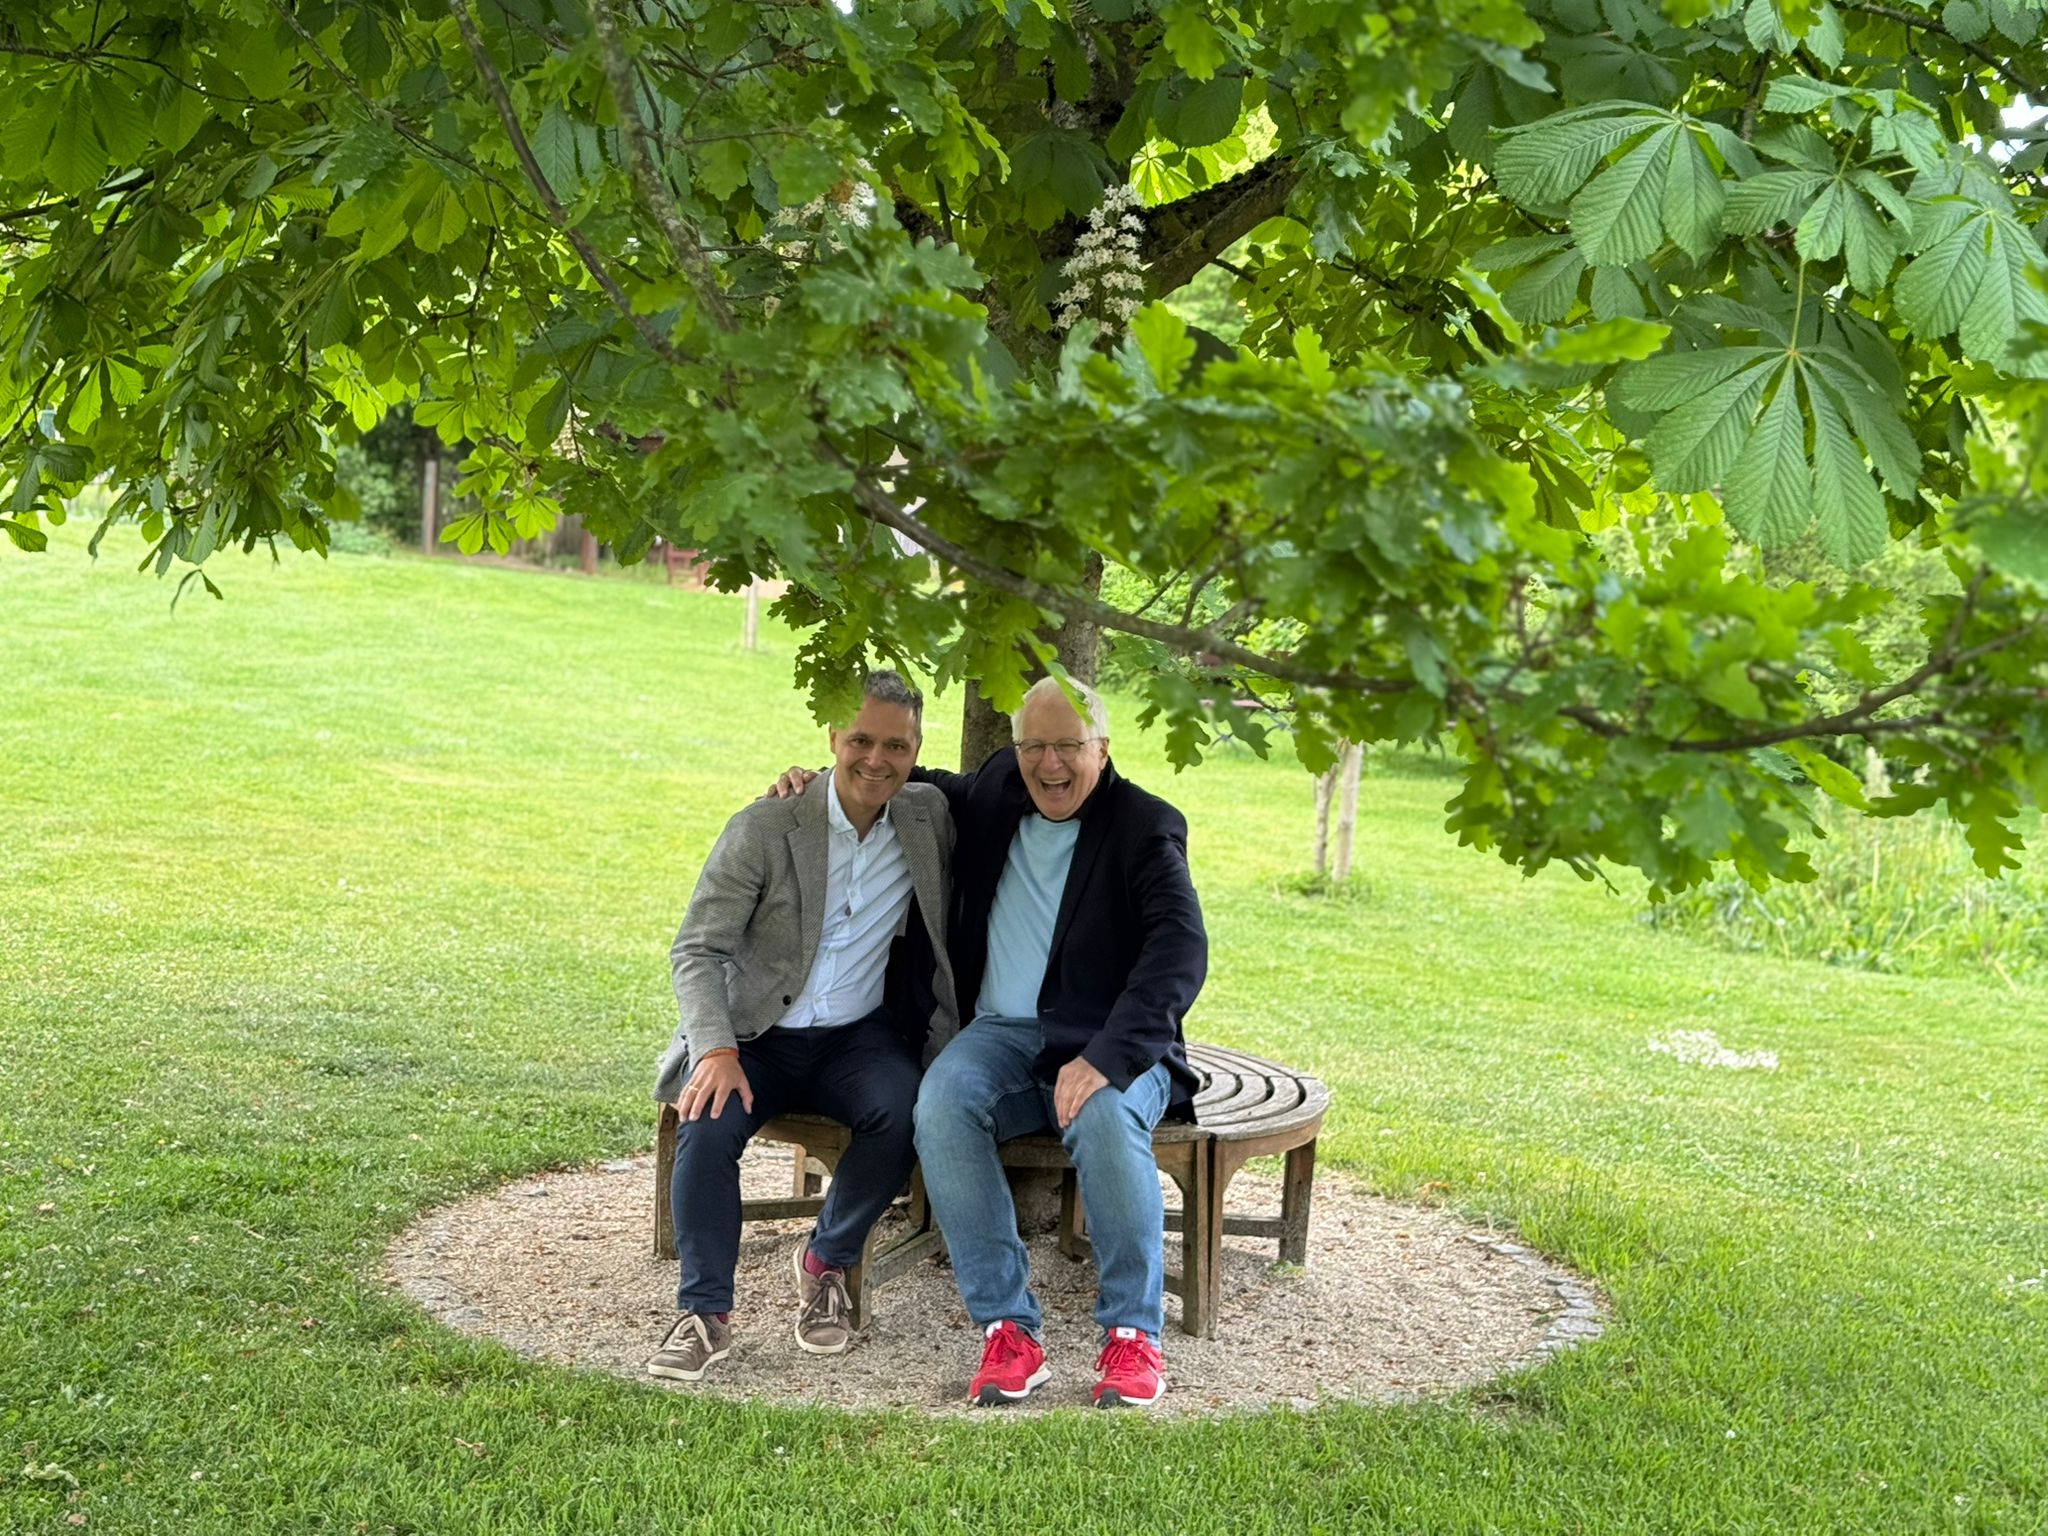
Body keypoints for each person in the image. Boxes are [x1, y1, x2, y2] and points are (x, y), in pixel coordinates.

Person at [776, 675, 1206, 1409]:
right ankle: (1008, 1328)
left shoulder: (1145, 826)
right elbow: (915, 779)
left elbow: (1179, 951)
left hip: (1114, 1041)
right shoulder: (1000, 791)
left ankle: (1133, 1335)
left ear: (1102, 749)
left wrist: (1105, 1058)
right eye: (1034, 746)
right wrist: (820, 779)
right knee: (940, 1102)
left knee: (1103, 1115)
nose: (1050, 765)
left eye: (1068, 747)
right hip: (1002, 1035)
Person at [647, 670, 957, 1383]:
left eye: (896, 746)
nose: (875, 759)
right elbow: (697, 948)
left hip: (856, 1036)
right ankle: (704, 1314)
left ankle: (826, 1260)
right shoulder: (765, 826)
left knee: (908, 1108)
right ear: (830, 739)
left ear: (916, 750)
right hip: (755, 1035)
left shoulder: (926, 815)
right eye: (859, 740)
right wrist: (715, 1048)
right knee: (708, 1119)